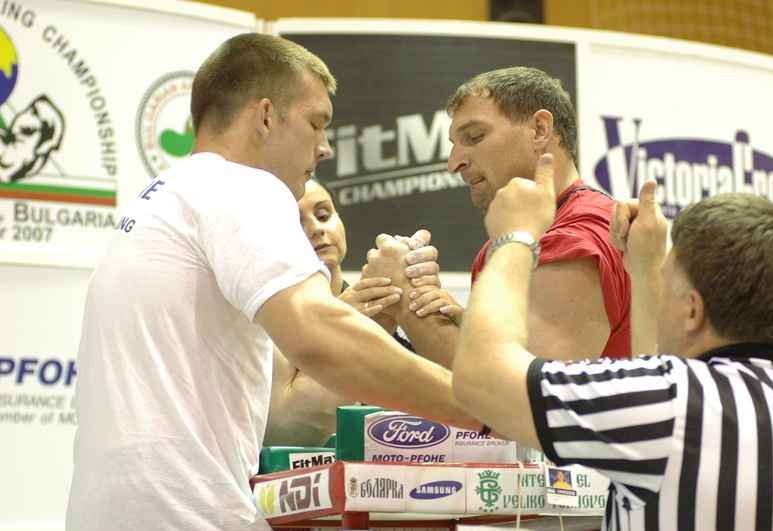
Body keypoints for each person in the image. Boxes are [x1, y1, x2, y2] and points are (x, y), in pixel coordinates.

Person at [66, 33, 479, 531]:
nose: (325, 147)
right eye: (316, 123)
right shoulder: (241, 187)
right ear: (265, 116)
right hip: (185, 516)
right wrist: (479, 406)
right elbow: (318, 337)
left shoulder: (167, 198)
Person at [452, 152, 773, 530]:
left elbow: (481, 380)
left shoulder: (664, 404)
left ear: (693, 311)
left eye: (668, 284)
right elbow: (664, 371)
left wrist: (514, 239)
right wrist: (646, 268)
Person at [364, 67, 631, 368]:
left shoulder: (574, 238)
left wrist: (406, 299)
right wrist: (452, 320)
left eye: (474, 136)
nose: (454, 163)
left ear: (540, 129)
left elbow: (524, 399)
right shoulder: (514, 242)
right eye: (453, 145)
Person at [266, 179, 427, 446]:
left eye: (323, 215)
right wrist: (343, 325)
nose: (316, 229)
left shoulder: (381, 307)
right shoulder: (265, 325)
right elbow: (284, 433)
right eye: (295, 223)